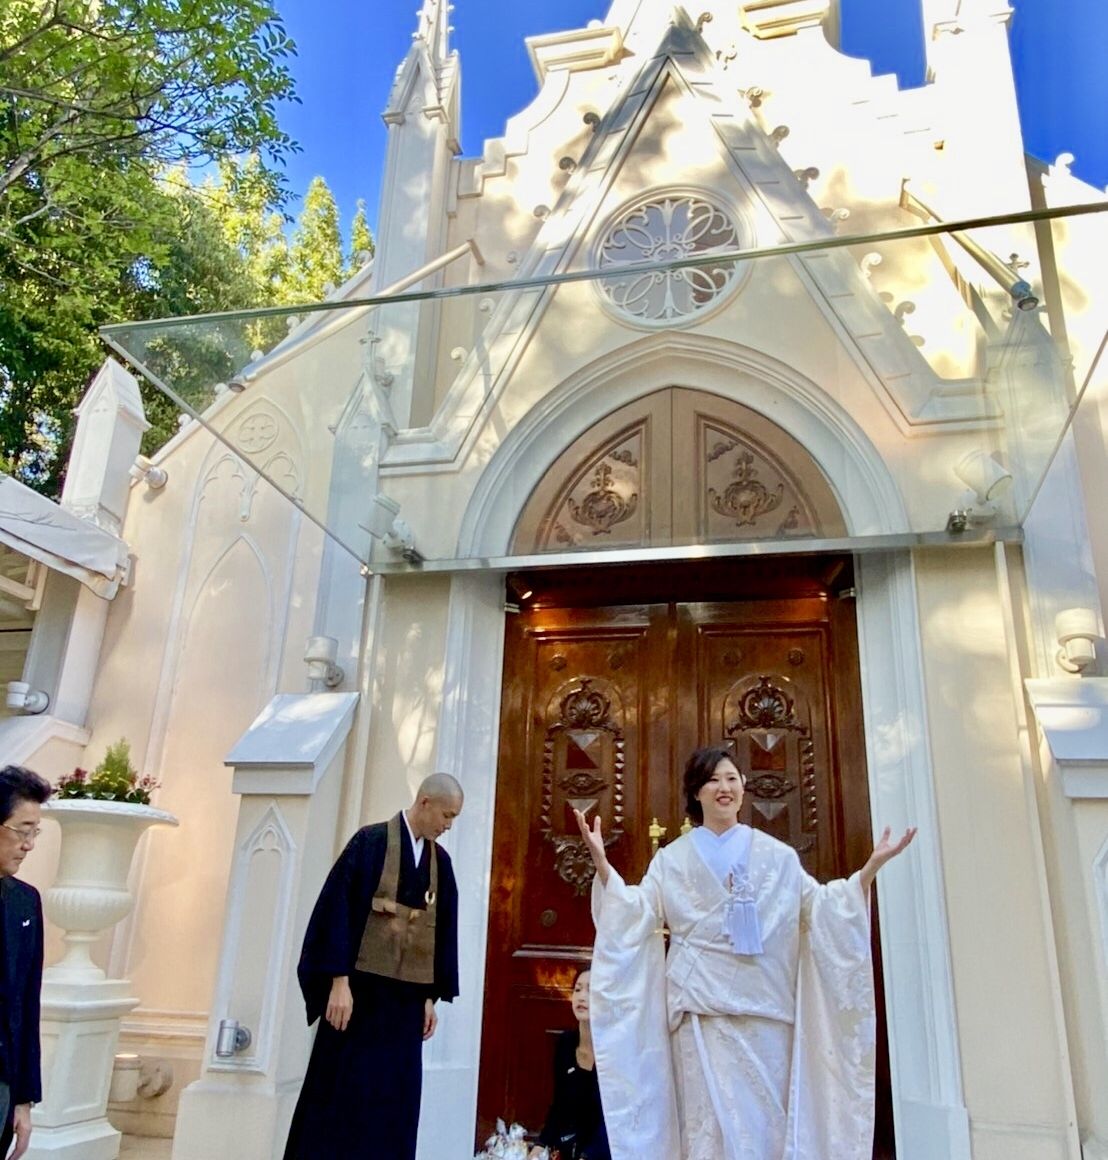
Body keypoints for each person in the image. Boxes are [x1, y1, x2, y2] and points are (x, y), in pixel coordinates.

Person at [573, 745, 915, 1160]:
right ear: (696, 792)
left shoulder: (778, 857)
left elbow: (820, 908)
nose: (724, 787)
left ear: (743, 787)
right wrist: (603, 866)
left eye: (731, 778)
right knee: (705, 1129)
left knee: (763, 1128)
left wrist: (867, 872)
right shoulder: (671, 860)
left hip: (764, 1014)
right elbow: (636, 911)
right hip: (700, 1014)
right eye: (713, 780)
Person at [283, 773, 463, 1160]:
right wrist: (338, 981)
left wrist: (429, 998)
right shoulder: (370, 842)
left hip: (404, 1011)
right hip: (357, 1000)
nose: (448, 825)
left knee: (394, 1107)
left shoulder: (441, 864)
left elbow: (441, 933)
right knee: (340, 1100)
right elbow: (337, 910)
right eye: (447, 815)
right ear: (425, 802)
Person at [0, 765, 51, 1160]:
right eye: (22, 830)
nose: (29, 845)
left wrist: (24, 1100)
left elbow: (26, 1005)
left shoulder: (25, 902)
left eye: (35, 832)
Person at [530, 966, 611, 1160]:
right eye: (577, 989)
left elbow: (614, 1118)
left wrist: (588, 1156)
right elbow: (559, 1105)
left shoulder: (614, 1052)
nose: (581, 997)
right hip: (568, 1147)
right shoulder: (566, 1044)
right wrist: (541, 1145)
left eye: (590, 990)